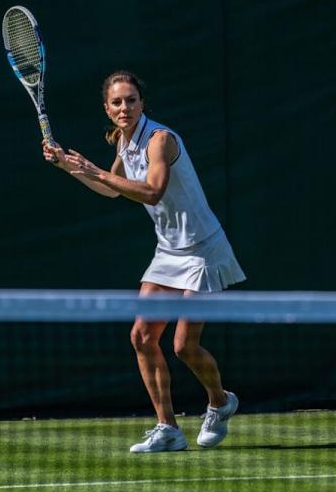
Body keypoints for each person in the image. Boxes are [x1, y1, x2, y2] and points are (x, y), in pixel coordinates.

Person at [41, 71, 246, 453]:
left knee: (185, 345)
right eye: (117, 102)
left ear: (141, 103)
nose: (124, 108)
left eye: (131, 100)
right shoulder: (123, 141)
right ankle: (167, 428)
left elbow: (152, 193)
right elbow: (110, 190)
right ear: (107, 108)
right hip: (168, 251)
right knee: (142, 336)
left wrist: (94, 169)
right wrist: (68, 167)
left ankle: (220, 401)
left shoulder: (160, 140)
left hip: (202, 248)